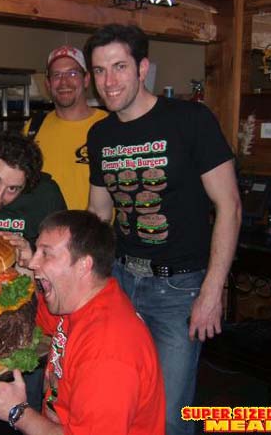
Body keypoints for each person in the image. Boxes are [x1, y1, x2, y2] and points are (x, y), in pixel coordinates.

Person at [83, 24, 242, 435]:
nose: (109, 81)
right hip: (119, 279)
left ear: (143, 68)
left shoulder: (190, 120)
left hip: (179, 289)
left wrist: (212, 290)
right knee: (125, 397)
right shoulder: (100, 134)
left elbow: (230, 206)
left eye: (119, 67)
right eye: (100, 71)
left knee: (169, 416)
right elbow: (99, 213)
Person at [0, 210, 165, 434]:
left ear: (84, 265)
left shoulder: (108, 351)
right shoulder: (86, 301)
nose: (33, 263)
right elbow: (37, 319)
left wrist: (16, 411)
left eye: (46, 254)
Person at [24, 45, 107, 210]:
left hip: (93, 232)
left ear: (86, 79)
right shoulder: (33, 127)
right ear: (48, 83)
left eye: (72, 73)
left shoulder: (110, 126)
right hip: (44, 232)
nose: (64, 82)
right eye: (57, 75)